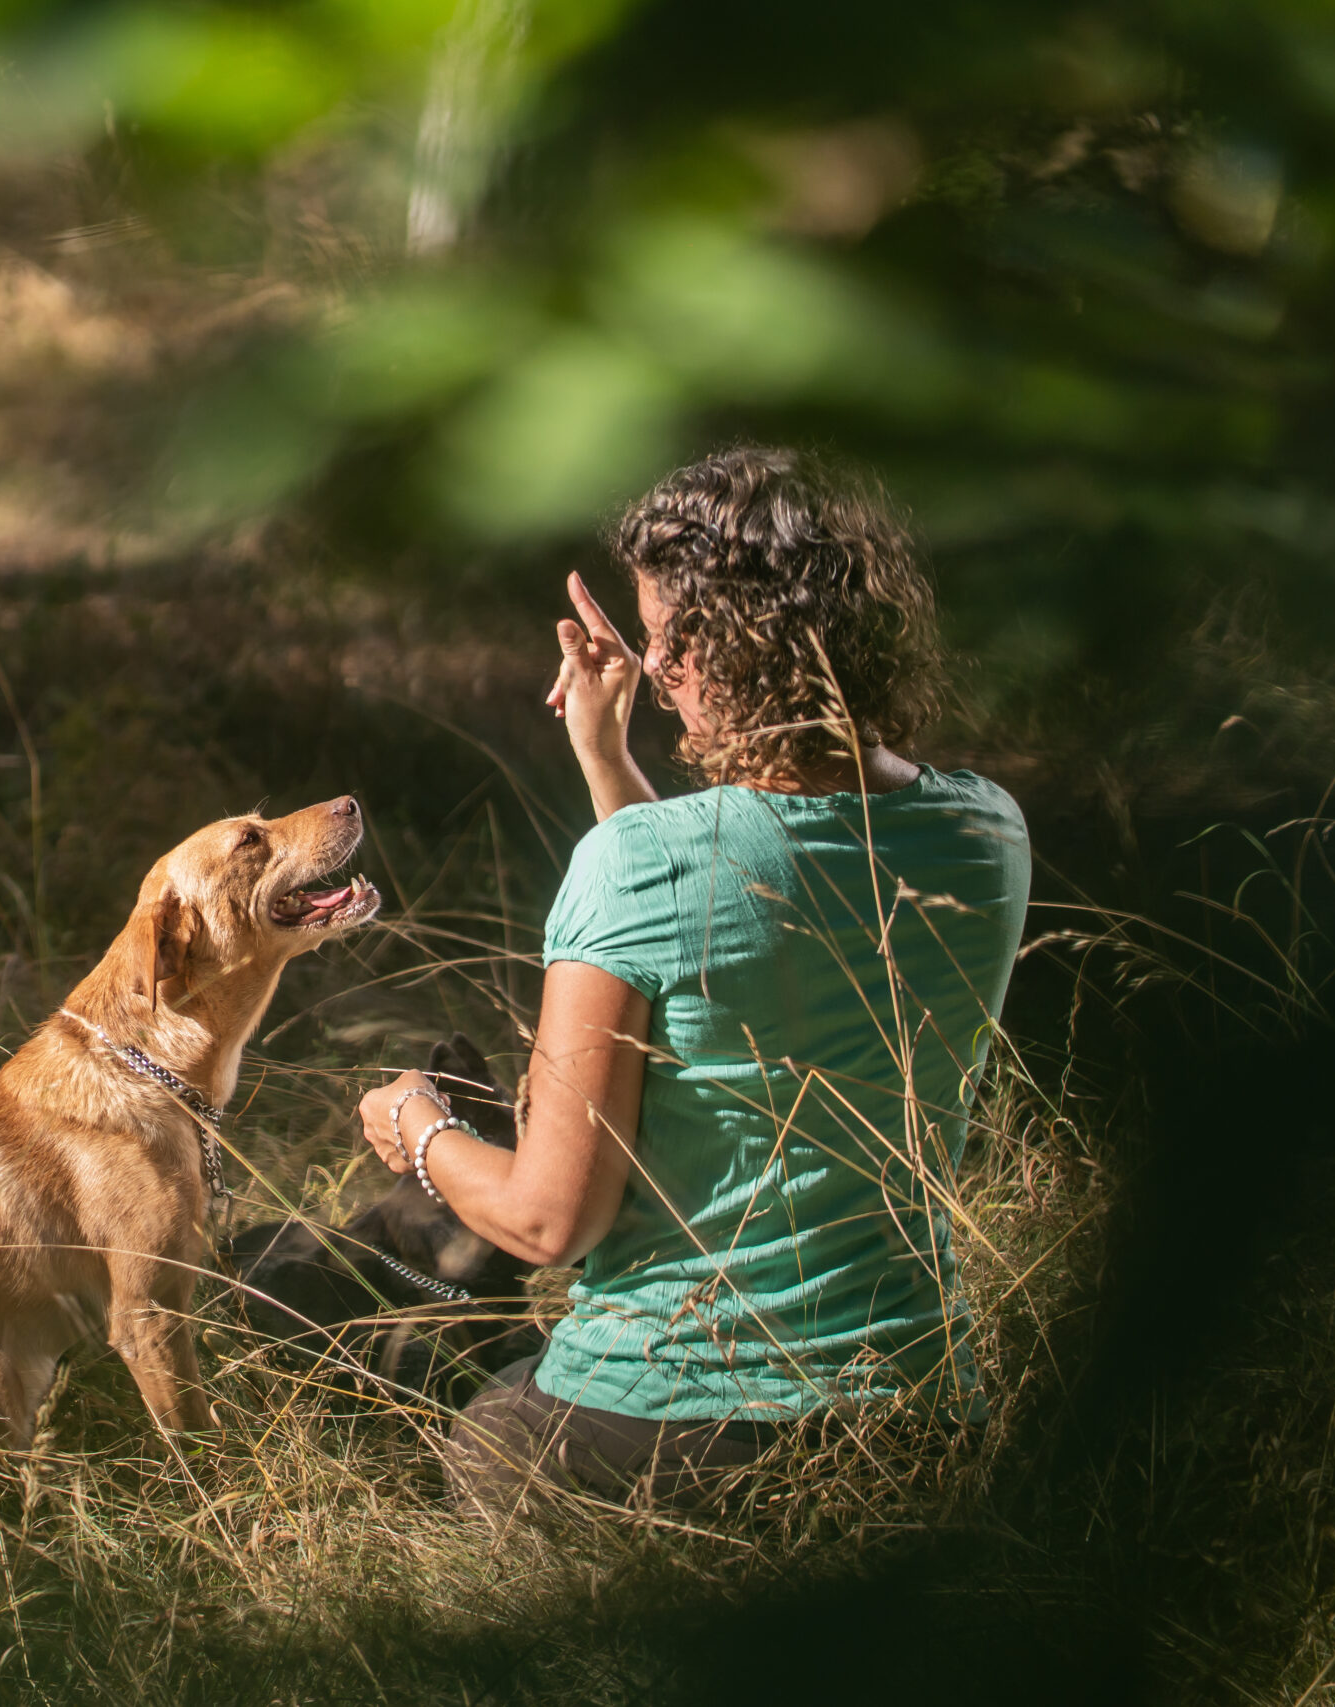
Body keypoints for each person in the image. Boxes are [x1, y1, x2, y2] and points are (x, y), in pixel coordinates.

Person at [356, 446, 1030, 1512]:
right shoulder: (984, 826)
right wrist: (602, 751)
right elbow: (720, 933)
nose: (658, 671)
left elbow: (547, 1224)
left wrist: (420, 1130)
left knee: (472, 1415)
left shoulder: (644, 865)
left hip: (677, 1422)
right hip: (917, 1420)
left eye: (670, 642)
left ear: (739, 643)